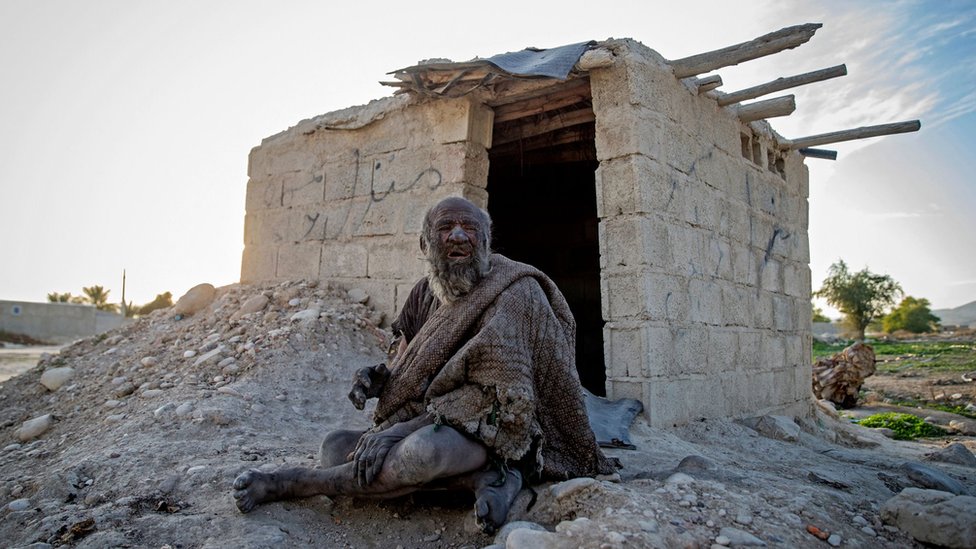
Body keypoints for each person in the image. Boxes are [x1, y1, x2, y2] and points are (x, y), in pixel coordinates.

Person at [233, 196, 617, 533]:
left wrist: (394, 434)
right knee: (334, 447)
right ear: (425, 243)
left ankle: (296, 483)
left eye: (469, 228)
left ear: (485, 240)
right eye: (446, 227)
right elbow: (406, 362)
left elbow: (499, 402)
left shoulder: (515, 292)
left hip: (493, 430)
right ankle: (485, 481)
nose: (458, 236)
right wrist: (377, 378)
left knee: (424, 452)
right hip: (432, 421)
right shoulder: (424, 293)